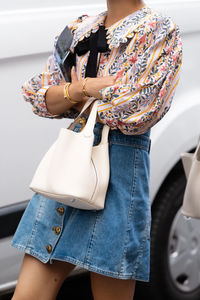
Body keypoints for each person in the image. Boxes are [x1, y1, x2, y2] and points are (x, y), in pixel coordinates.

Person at [11, 0, 183, 299]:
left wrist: (72, 98)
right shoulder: (80, 28)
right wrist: (83, 89)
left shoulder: (159, 30)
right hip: (67, 168)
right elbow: (39, 95)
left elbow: (137, 111)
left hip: (119, 174)